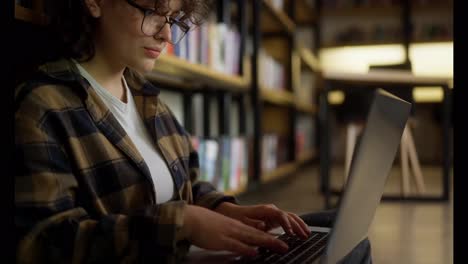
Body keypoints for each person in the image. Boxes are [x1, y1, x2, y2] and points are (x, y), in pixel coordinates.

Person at [14, 0, 372, 263]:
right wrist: (180, 223)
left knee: (333, 229)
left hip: (187, 254)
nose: (167, 33)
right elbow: (42, 244)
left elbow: (189, 185)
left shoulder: (148, 99)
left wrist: (227, 210)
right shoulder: (44, 107)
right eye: (152, 12)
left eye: (172, 18)